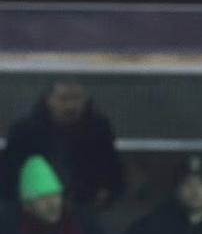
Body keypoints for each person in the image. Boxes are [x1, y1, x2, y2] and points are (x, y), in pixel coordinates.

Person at [1, 81, 125, 210]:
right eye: (63, 98)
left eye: (76, 98)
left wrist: (107, 191)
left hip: (86, 201)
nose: (71, 105)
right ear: (49, 100)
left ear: (86, 99)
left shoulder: (98, 128)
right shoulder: (25, 130)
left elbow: (111, 165)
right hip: (35, 203)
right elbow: (10, 171)